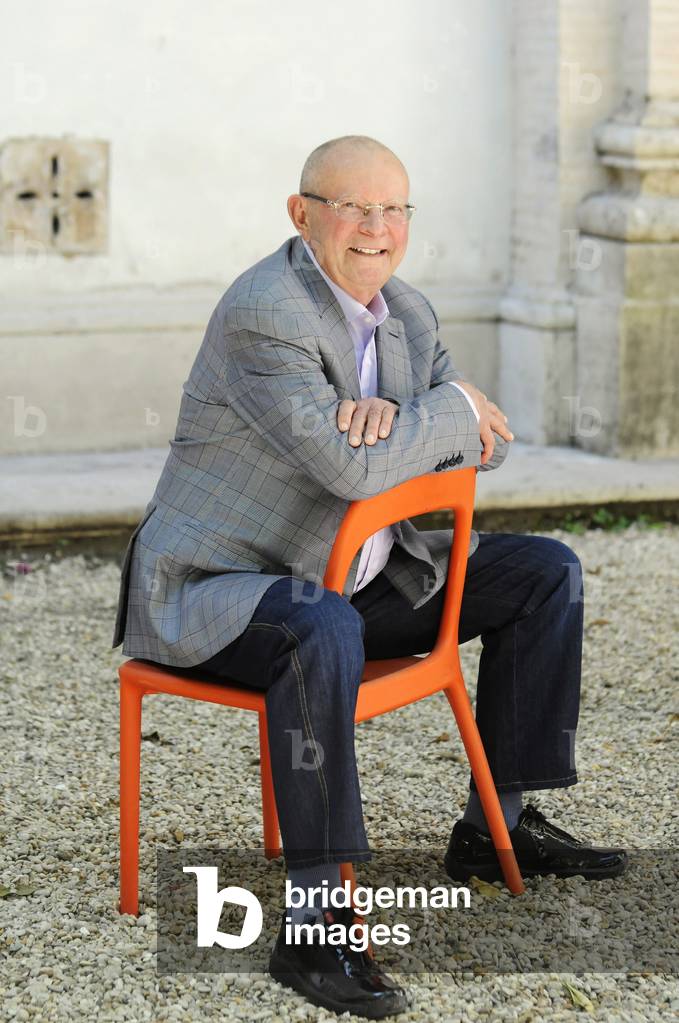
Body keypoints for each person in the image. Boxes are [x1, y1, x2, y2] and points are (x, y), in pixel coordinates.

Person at [112, 135, 627, 1019]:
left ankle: (494, 823)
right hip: (221, 587)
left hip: (350, 576)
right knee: (321, 626)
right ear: (301, 213)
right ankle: (314, 922)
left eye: (393, 209)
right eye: (351, 206)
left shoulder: (409, 314)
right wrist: (438, 414)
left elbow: (484, 447)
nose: (374, 228)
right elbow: (359, 467)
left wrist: (406, 417)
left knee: (544, 570)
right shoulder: (262, 314)